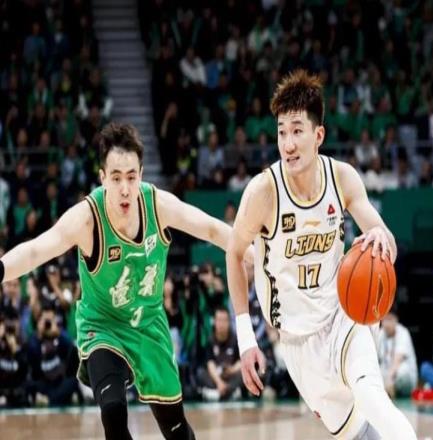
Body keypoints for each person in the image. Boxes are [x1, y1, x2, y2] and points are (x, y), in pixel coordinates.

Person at [0, 122, 252, 439]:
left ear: (141, 175)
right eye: (116, 177)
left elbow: (212, 229)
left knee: (176, 429)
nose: (124, 188)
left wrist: (255, 255)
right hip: (102, 325)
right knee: (114, 411)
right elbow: (37, 250)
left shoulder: (157, 205)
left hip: (148, 323)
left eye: (131, 177)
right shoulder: (87, 219)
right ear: (102, 177)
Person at [226, 70, 417, 439]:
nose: (288, 143)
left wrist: (381, 238)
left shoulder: (342, 178)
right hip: (298, 338)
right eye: (282, 132)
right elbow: (234, 254)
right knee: (357, 434)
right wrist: (246, 338)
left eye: (297, 131)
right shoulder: (263, 192)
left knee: (371, 395)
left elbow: (386, 241)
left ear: (318, 135)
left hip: (344, 311)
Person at [377, 310, 418, 398]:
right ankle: (388, 391)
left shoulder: (403, 332)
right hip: (387, 374)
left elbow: (398, 360)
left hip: (402, 377)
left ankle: (390, 391)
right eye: (384, 319)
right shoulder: (380, 334)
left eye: (390, 319)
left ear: (396, 320)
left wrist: (389, 379)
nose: (387, 324)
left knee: (402, 371)